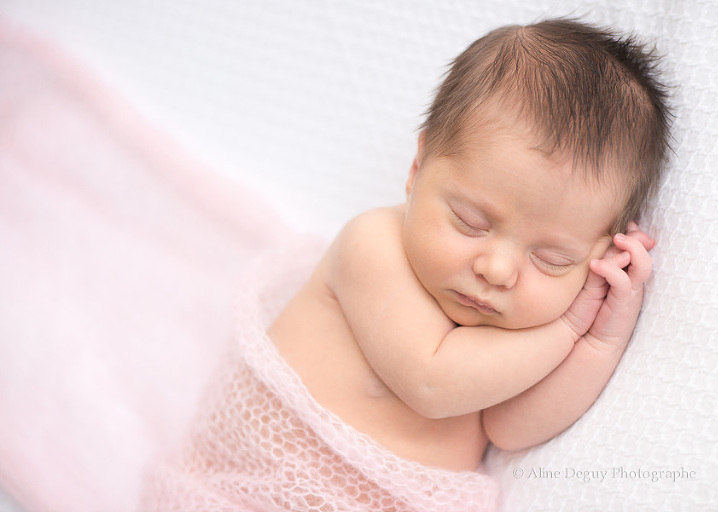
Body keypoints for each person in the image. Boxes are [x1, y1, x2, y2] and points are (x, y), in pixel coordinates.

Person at [143, 18, 671, 511]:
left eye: (551, 259)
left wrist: (601, 338)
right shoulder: (372, 247)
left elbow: (511, 429)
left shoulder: (513, 337)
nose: (497, 268)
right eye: (469, 221)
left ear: (597, 254)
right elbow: (432, 383)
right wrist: (570, 324)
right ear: (418, 169)